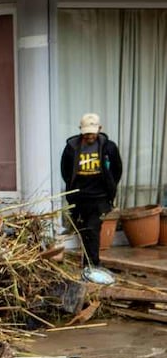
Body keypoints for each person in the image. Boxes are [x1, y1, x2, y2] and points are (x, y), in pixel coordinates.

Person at [60, 112, 123, 284]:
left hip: (100, 198)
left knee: (93, 229)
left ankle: (94, 264)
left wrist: (110, 187)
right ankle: (87, 264)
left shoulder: (109, 147)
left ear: (99, 129)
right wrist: (72, 189)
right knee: (83, 231)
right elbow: (65, 170)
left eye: (92, 133)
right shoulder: (72, 147)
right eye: (86, 133)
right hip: (79, 198)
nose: (89, 136)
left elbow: (117, 169)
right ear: (81, 131)